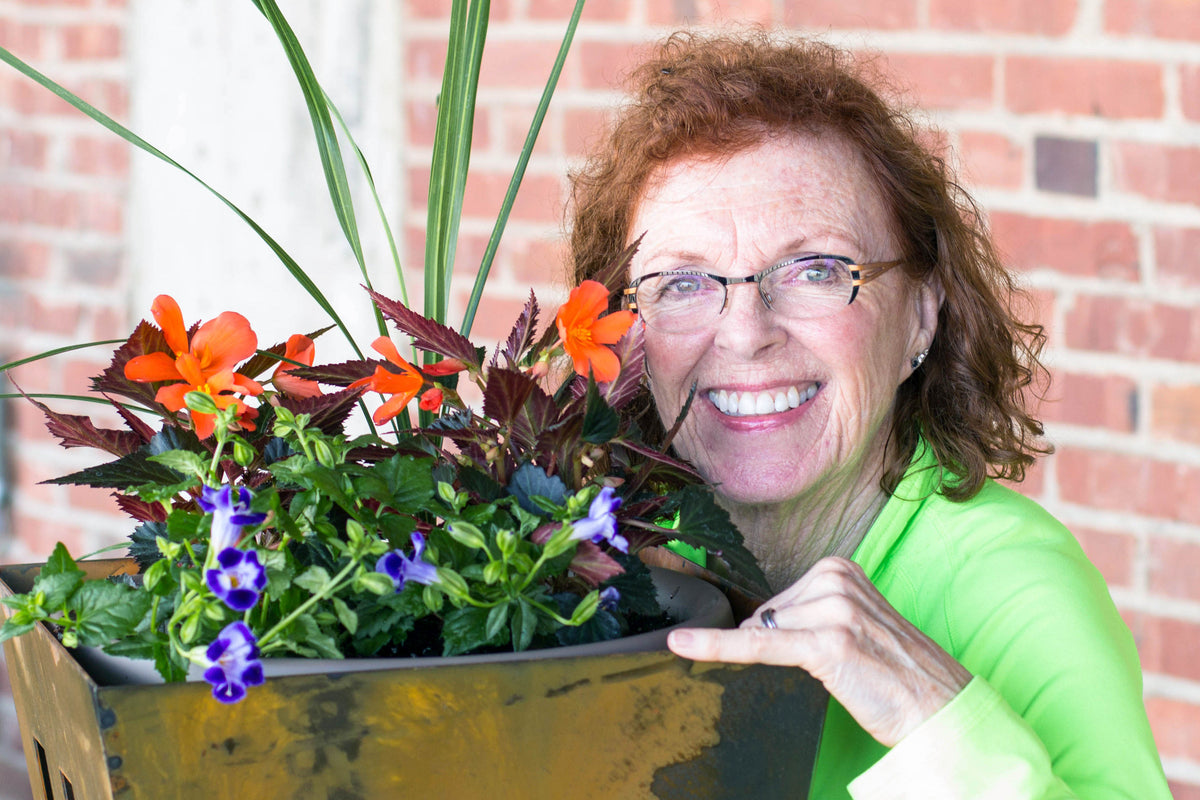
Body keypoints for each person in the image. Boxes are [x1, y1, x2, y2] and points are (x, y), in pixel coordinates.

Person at [567, 31, 1171, 799]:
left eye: (816, 270)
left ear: (921, 318)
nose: (746, 333)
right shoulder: (587, 568)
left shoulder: (1017, 591)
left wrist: (941, 727)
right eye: (683, 282)